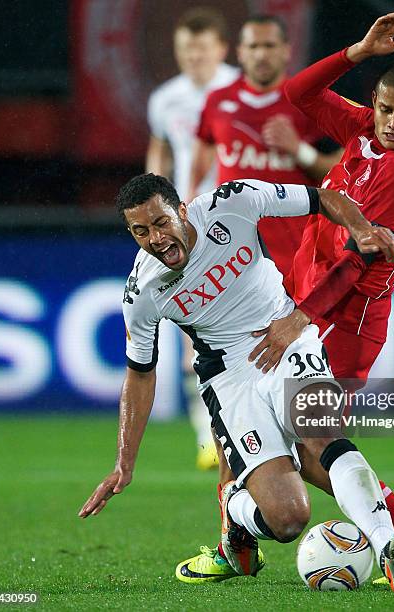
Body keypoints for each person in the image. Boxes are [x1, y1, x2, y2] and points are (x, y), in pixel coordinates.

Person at [178, 12, 394, 586]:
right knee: (243, 426)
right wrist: (357, 51)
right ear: (373, 105)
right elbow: (297, 92)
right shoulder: (365, 132)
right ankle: (238, 548)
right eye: (385, 109)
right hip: (302, 300)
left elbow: (358, 263)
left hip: (339, 319)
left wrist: (296, 319)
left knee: (308, 448)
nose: (393, 122)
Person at [78, 172, 394, 592]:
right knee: (288, 519)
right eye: (141, 231)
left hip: (285, 336)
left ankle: (390, 549)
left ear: (182, 210)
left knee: (321, 434)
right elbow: (140, 374)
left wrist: (362, 229)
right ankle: (235, 511)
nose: (156, 238)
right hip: (230, 379)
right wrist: (124, 463)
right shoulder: (142, 291)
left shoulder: (233, 202)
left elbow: (324, 198)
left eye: (162, 222)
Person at [146, 7, 239, 470]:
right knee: (191, 330)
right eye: (185, 49)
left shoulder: (238, 91)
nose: (193, 58)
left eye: (201, 49)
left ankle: (251, 428)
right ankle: (209, 437)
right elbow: (160, 151)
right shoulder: (166, 99)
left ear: (220, 50)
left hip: (236, 224)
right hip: (183, 229)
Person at [189, 14, 342, 277]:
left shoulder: (308, 101)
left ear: (286, 50)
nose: (261, 55)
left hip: (296, 252)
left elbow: (343, 167)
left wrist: (299, 150)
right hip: (231, 255)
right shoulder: (217, 101)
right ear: (240, 52)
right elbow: (201, 159)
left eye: (269, 46)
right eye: (253, 46)